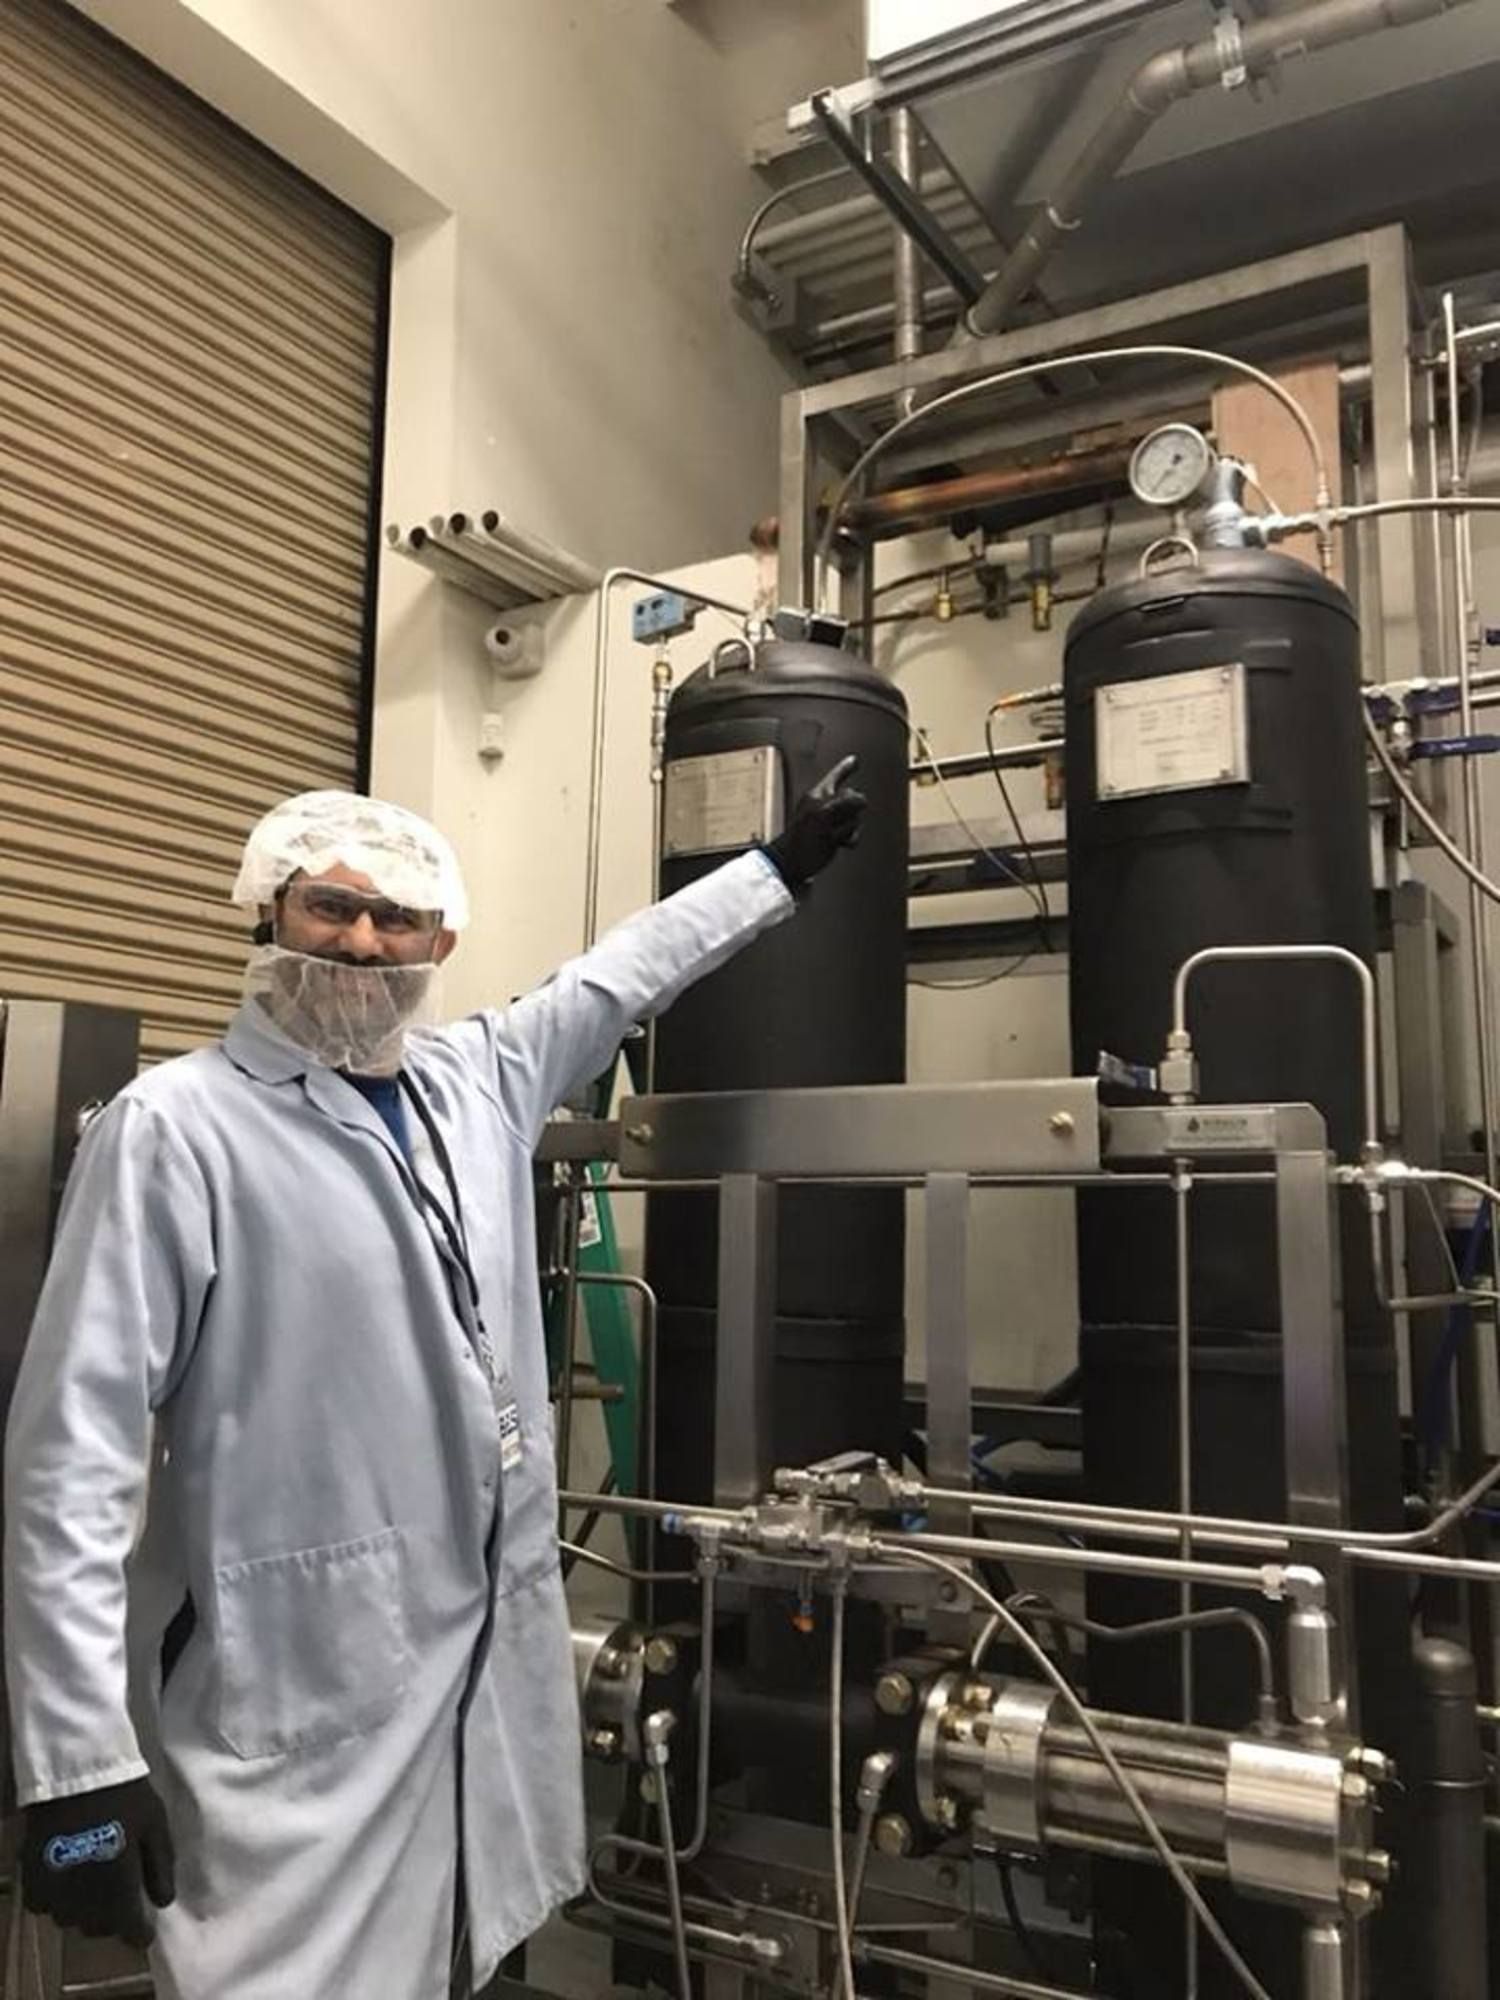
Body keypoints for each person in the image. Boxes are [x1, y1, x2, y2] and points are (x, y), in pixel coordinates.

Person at [5, 769, 866, 2000]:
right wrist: (78, 1764)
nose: (363, 941)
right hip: (293, 1684)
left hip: (466, 1673)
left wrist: (774, 868)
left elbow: (622, 972)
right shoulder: (174, 1128)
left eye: (396, 919)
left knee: (467, 1950)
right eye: (331, 908)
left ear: (439, 943)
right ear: (270, 913)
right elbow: (69, 1460)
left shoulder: (481, 1079)